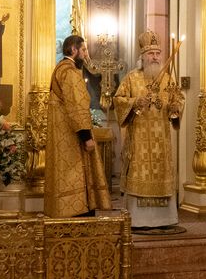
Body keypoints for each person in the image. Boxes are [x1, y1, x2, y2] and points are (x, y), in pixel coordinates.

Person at [113, 31, 184, 230]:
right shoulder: (131, 78)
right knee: (139, 172)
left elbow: (177, 100)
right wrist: (135, 101)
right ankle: (139, 219)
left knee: (162, 173)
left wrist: (175, 109)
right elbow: (118, 100)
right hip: (139, 138)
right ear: (143, 56)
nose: (155, 57)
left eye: (158, 53)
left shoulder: (167, 79)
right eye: (151, 53)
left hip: (161, 138)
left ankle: (164, 219)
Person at [45, 35, 111, 218]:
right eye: (83, 50)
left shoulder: (59, 69)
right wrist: (86, 137)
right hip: (72, 136)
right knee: (77, 176)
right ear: (73, 50)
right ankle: (79, 218)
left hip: (62, 133)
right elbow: (77, 105)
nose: (86, 54)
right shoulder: (71, 72)